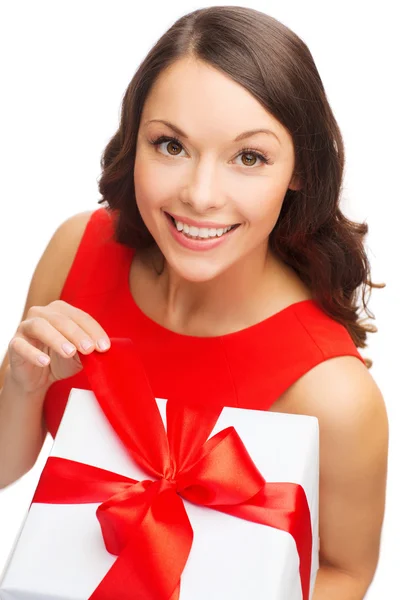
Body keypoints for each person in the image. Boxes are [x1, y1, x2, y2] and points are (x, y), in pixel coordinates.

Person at [0, 6, 388, 599]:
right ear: (135, 141)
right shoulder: (78, 248)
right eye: (170, 145)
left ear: (301, 171)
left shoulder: (331, 393)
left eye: (249, 157)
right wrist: (21, 384)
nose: (201, 195)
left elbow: (345, 572)